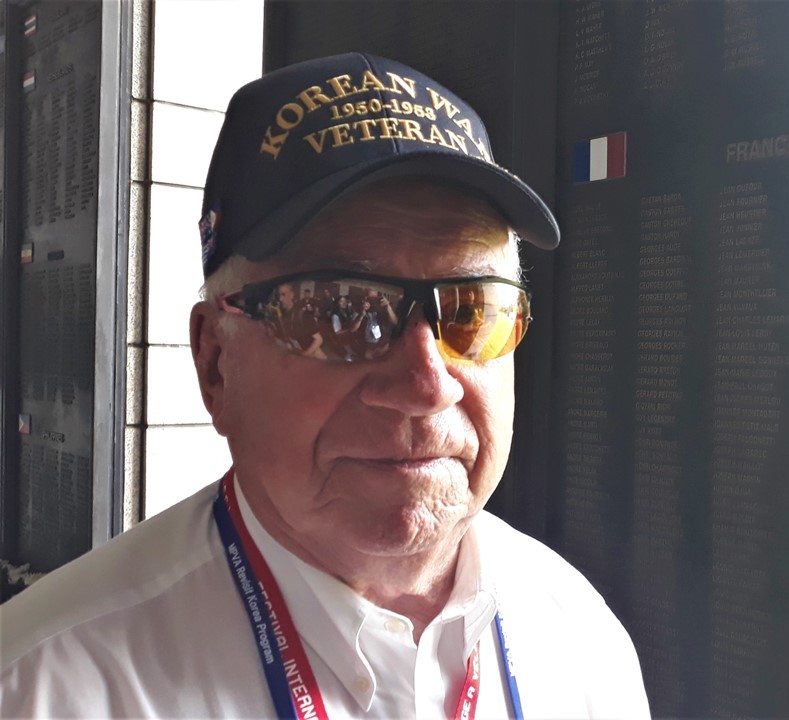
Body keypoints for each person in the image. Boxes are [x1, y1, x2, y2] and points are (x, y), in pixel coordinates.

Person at [0, 52, 649, 718]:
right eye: (338, 313)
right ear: (215, 362)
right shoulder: (42, 687)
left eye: (470, 312)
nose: (426, 386)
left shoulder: (579, 639)